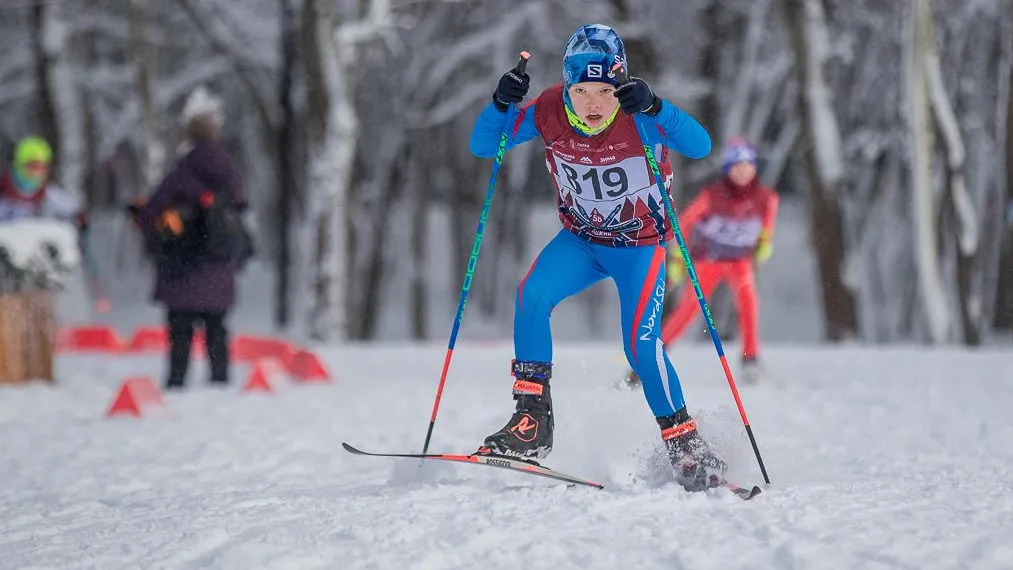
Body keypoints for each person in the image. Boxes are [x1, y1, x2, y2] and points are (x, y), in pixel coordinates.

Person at [468, 24, 726, 492]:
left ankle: (685, 443)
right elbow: (486, 145)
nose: (593, 103)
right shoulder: (548, 109)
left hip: (640, 248)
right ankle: (532, 422)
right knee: (531, 297)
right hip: (582, 242)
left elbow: (701, 146)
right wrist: (500, 104)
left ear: (619, 84)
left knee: (640, 346)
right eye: (581, 90)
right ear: (567, 86)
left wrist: (656, 107)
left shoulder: (637, 112)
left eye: (605, 90)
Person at [626, 137, 778, 387]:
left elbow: (766, 229)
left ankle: (750, 358)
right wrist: (677, 259)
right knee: (688, 309)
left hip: (739, 261)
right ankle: (651, 359)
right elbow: (684, 224)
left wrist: (763, 246)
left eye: (747, 165)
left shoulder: (766, 198)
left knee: (748, 301)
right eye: (736, 166)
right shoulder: (713, 195)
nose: (742, 171)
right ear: (728, 169)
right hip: (709, 260)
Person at [135, 87, 248, 390]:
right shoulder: (231, 173)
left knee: (180, 334)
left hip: (182, 269)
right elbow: (239, 210)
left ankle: (177, 384)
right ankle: (220, 383)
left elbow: (150, 214)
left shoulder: (180, 174)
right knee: (217, 330)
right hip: (218, 267)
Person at [0, 136, 81, 224]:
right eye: (34, 167)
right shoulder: (3, 192)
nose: (38, 174)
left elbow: (75, 215)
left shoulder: (51, 196)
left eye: (43, 168)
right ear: (19, 167)